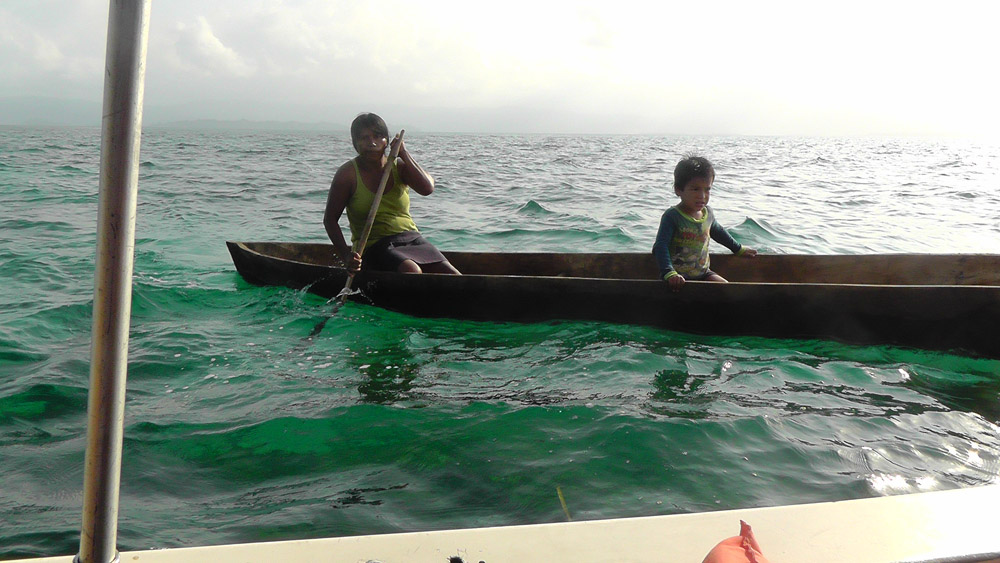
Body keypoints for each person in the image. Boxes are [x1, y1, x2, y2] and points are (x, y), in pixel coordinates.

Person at [324, 113, 460, 275]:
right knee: (411, 271)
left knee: (452, 274)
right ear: (355, 143)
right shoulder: (347, 174)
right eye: (364, 138)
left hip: (411, 238)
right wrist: (347, 257)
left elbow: (427, 189)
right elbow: (330, 220)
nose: (372, 143)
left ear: (387, 140)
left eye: (377, 136)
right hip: (373, 246)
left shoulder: (399, 167)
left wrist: (403, 153)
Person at [652, 156, 756, 291]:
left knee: (727, 288)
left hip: (703, 273)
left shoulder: (708, 214)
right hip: (677, 278)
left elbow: (719, 233)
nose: (702, 196)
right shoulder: (672, 216)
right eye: (695, 189)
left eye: (707, 189)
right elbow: (660, 246)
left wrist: (738, 249)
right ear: (678, 190)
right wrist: (669, 273)